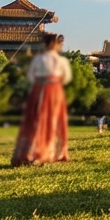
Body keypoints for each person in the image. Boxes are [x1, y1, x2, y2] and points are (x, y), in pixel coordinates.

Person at [12, 33, 71, 166]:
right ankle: (43, 152)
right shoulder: (60, 61)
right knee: (50, 120)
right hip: (54, 90)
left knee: (37, 120)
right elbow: (66, 78)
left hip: (40, 90)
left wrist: (40, 84)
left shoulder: (39, 59)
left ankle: (34, 152)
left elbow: (31, 76)